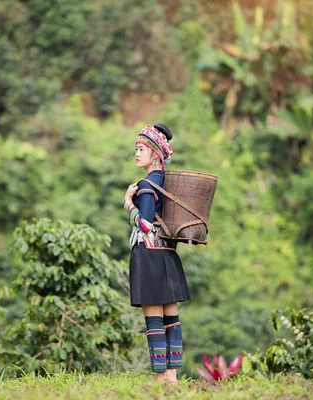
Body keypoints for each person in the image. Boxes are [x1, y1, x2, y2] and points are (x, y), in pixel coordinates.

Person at [123, 124, 191, 383]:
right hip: (168, 254)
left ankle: (160, 376)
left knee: (154, 318)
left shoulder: (147, 184)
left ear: (155, 153)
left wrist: (128, 202)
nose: (137, 154)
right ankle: (172, 376)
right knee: (171, 317)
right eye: (136, 149)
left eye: (141, 149)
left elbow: (145, 223)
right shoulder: (168, 181)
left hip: (150, 255)